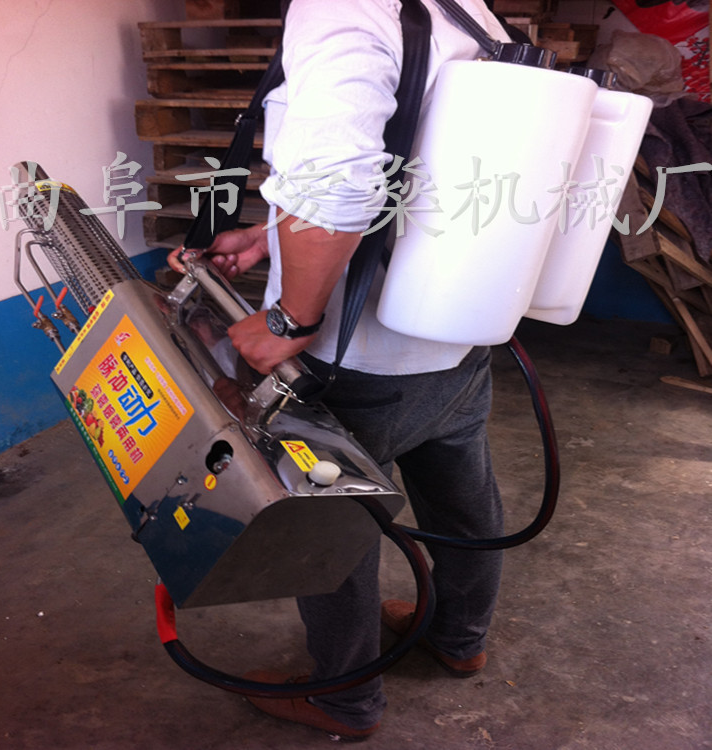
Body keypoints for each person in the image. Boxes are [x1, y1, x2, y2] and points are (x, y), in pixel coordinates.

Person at [169, 0, 510, 741]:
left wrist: (289, 318)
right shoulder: (465, 11)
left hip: (357, 360)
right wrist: (271, 237)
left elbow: (335, 184)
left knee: (331, 529)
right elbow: (419, 167)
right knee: (461, 503)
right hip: (457, 341)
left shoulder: (341, 6)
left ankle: (344, 698)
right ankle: (459, 638)